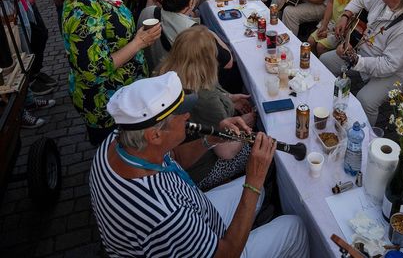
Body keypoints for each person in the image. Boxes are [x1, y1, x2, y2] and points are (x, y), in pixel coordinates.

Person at [90, 72, 309, 258]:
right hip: (213, 246)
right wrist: (254, 178)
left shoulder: (118, 141)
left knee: (258, 193)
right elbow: (227, 253)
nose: (187, 115)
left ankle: (249, 226)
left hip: (193, 215)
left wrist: (212, 139)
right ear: (155, 134)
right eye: (179, 113)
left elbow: (176, 157)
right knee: (295, 227)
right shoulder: (164, 214)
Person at [57, 0, 161, 145]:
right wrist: (139, 43)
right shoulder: (82, 11)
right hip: (108, 105)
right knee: (121, 156)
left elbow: (109, 25)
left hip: (127, 94)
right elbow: (94, 71)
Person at [321, 0, 403, 125]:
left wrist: (355, 60)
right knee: (325, 60)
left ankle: (364, 137)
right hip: (365, 55)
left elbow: (389, 65)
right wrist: (345, 15)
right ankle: (326, 105)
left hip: (399, 73)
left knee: (366, 100)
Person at [157, 26, 251, 190]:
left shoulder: (165, 74)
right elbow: (226, 151)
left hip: (177, 153)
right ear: (208, 60)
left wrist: (229, 99)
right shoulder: (205, 98)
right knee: (259, 150)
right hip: (199, 170)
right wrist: (245, 123)